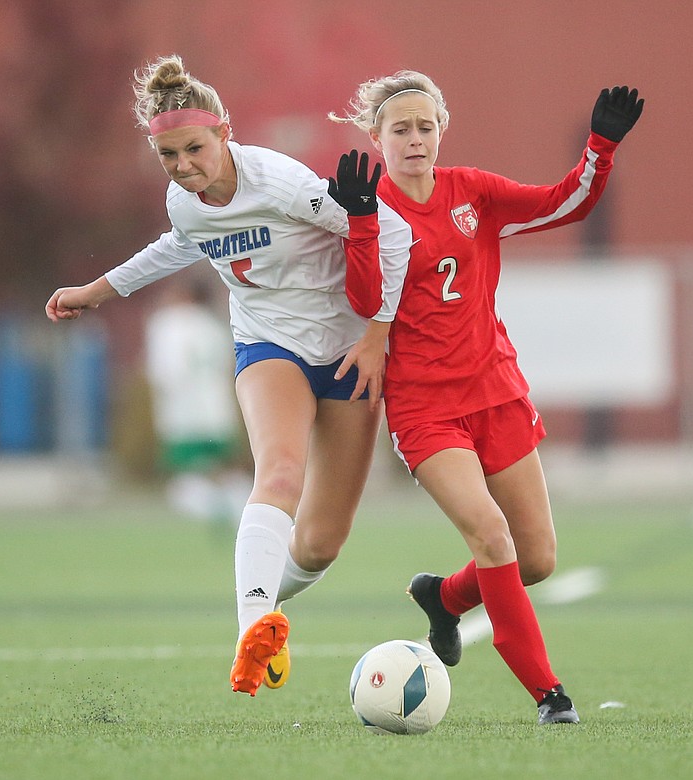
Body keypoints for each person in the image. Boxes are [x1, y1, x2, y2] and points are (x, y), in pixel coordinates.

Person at [45, 54, 411, 697]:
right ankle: (253, 629)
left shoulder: (281, 182)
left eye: (193, 149)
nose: (183, 166)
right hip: (267, 345)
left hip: (350, 350)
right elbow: (178, 244)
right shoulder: (183, 202)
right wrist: (95, 291)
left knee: (321, 544)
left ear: (224, 132)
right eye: (168, 156)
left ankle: (267, 596)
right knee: (278, 472)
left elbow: (392, 234)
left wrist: (380, 333)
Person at [330, 73, 643, 724]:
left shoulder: (472, 191)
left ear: (442, 129)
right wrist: (360, 221)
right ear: (375, 137)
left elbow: (565, 204)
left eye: (425, 127)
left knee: (537, 559)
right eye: (400, 129)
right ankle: (549, 695)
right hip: (424, 407)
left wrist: (600, 148)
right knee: (492, 535)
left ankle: (444, 598)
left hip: (495, 387)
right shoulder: (370, 207)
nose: (414, 140)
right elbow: (364, 301)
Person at [143, 277, 246, 526]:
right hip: (216, 410)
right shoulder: (213, 325)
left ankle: (219, 513)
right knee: (225, 469)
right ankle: (248, 511)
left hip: (183, 414)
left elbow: (164, 372)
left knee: (185, 477)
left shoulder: (167, 325)